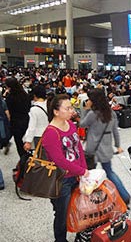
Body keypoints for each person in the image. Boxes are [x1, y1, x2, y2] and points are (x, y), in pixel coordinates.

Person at [42, 94, 88, 242]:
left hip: (75, 175)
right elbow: (59, 161)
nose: (71, 110)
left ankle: (79, 236)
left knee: (78, 209)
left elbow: (78, 148)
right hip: (61, 181)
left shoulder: (71, 124)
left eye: (71, 107)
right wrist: (81, 171)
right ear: (56, 111)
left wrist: (83, 169)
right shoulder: (50, 132)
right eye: (67, 108)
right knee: (62, 214)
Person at [80, 88, 131, 205]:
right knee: (110, 172)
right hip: (106, 147)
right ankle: (125, 196)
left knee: (89, 175)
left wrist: (85, 109)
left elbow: (82, 124)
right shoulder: (111, 112)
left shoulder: (93, 114)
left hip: (93, 148)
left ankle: (90, 199)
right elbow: (115, 131)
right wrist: (118, 145)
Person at [5, 78, 31, 160]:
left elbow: (8, 111)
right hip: (26, 120)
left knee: (19, 144)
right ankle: (27, 160)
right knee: (26, 142)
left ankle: (24, 163)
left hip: (15, 122)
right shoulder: (25, 95)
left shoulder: (10, 97)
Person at [23, 85, 49, 151]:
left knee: (41, 157)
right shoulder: (49, 105)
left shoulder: (34, 109)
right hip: (50, 133)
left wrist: (28, 141)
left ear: (35, 95)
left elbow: (32, 126)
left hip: (39, 135)